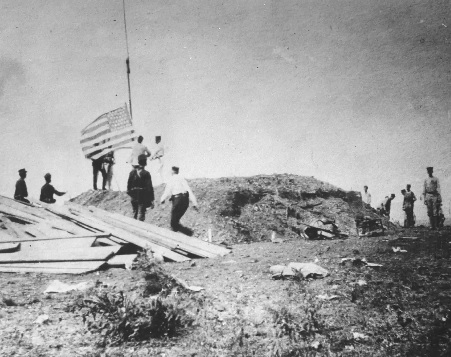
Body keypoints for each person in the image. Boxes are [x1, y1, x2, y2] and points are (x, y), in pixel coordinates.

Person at [160, 166, 198, 233]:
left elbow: (167, 191)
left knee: (173, 221)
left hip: (177, 199)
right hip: (185, 200)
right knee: (176, 219)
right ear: (178, 171)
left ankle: (174, 233)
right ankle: (177, 229)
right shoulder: (182, 179)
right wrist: (194, 203)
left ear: (172, 171)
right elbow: (189, 190)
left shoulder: (171, 179)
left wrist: (162, 199)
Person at [127, 154, 154, 221]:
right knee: (141, 214)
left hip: (134, 196)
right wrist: (152, 199)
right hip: (142, 196)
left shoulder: (132, 172)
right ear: (145, 163)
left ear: (138, 162)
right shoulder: (146, 173)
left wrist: (132, 193)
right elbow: (149, 187)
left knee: (135, 213)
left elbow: (128, 186)